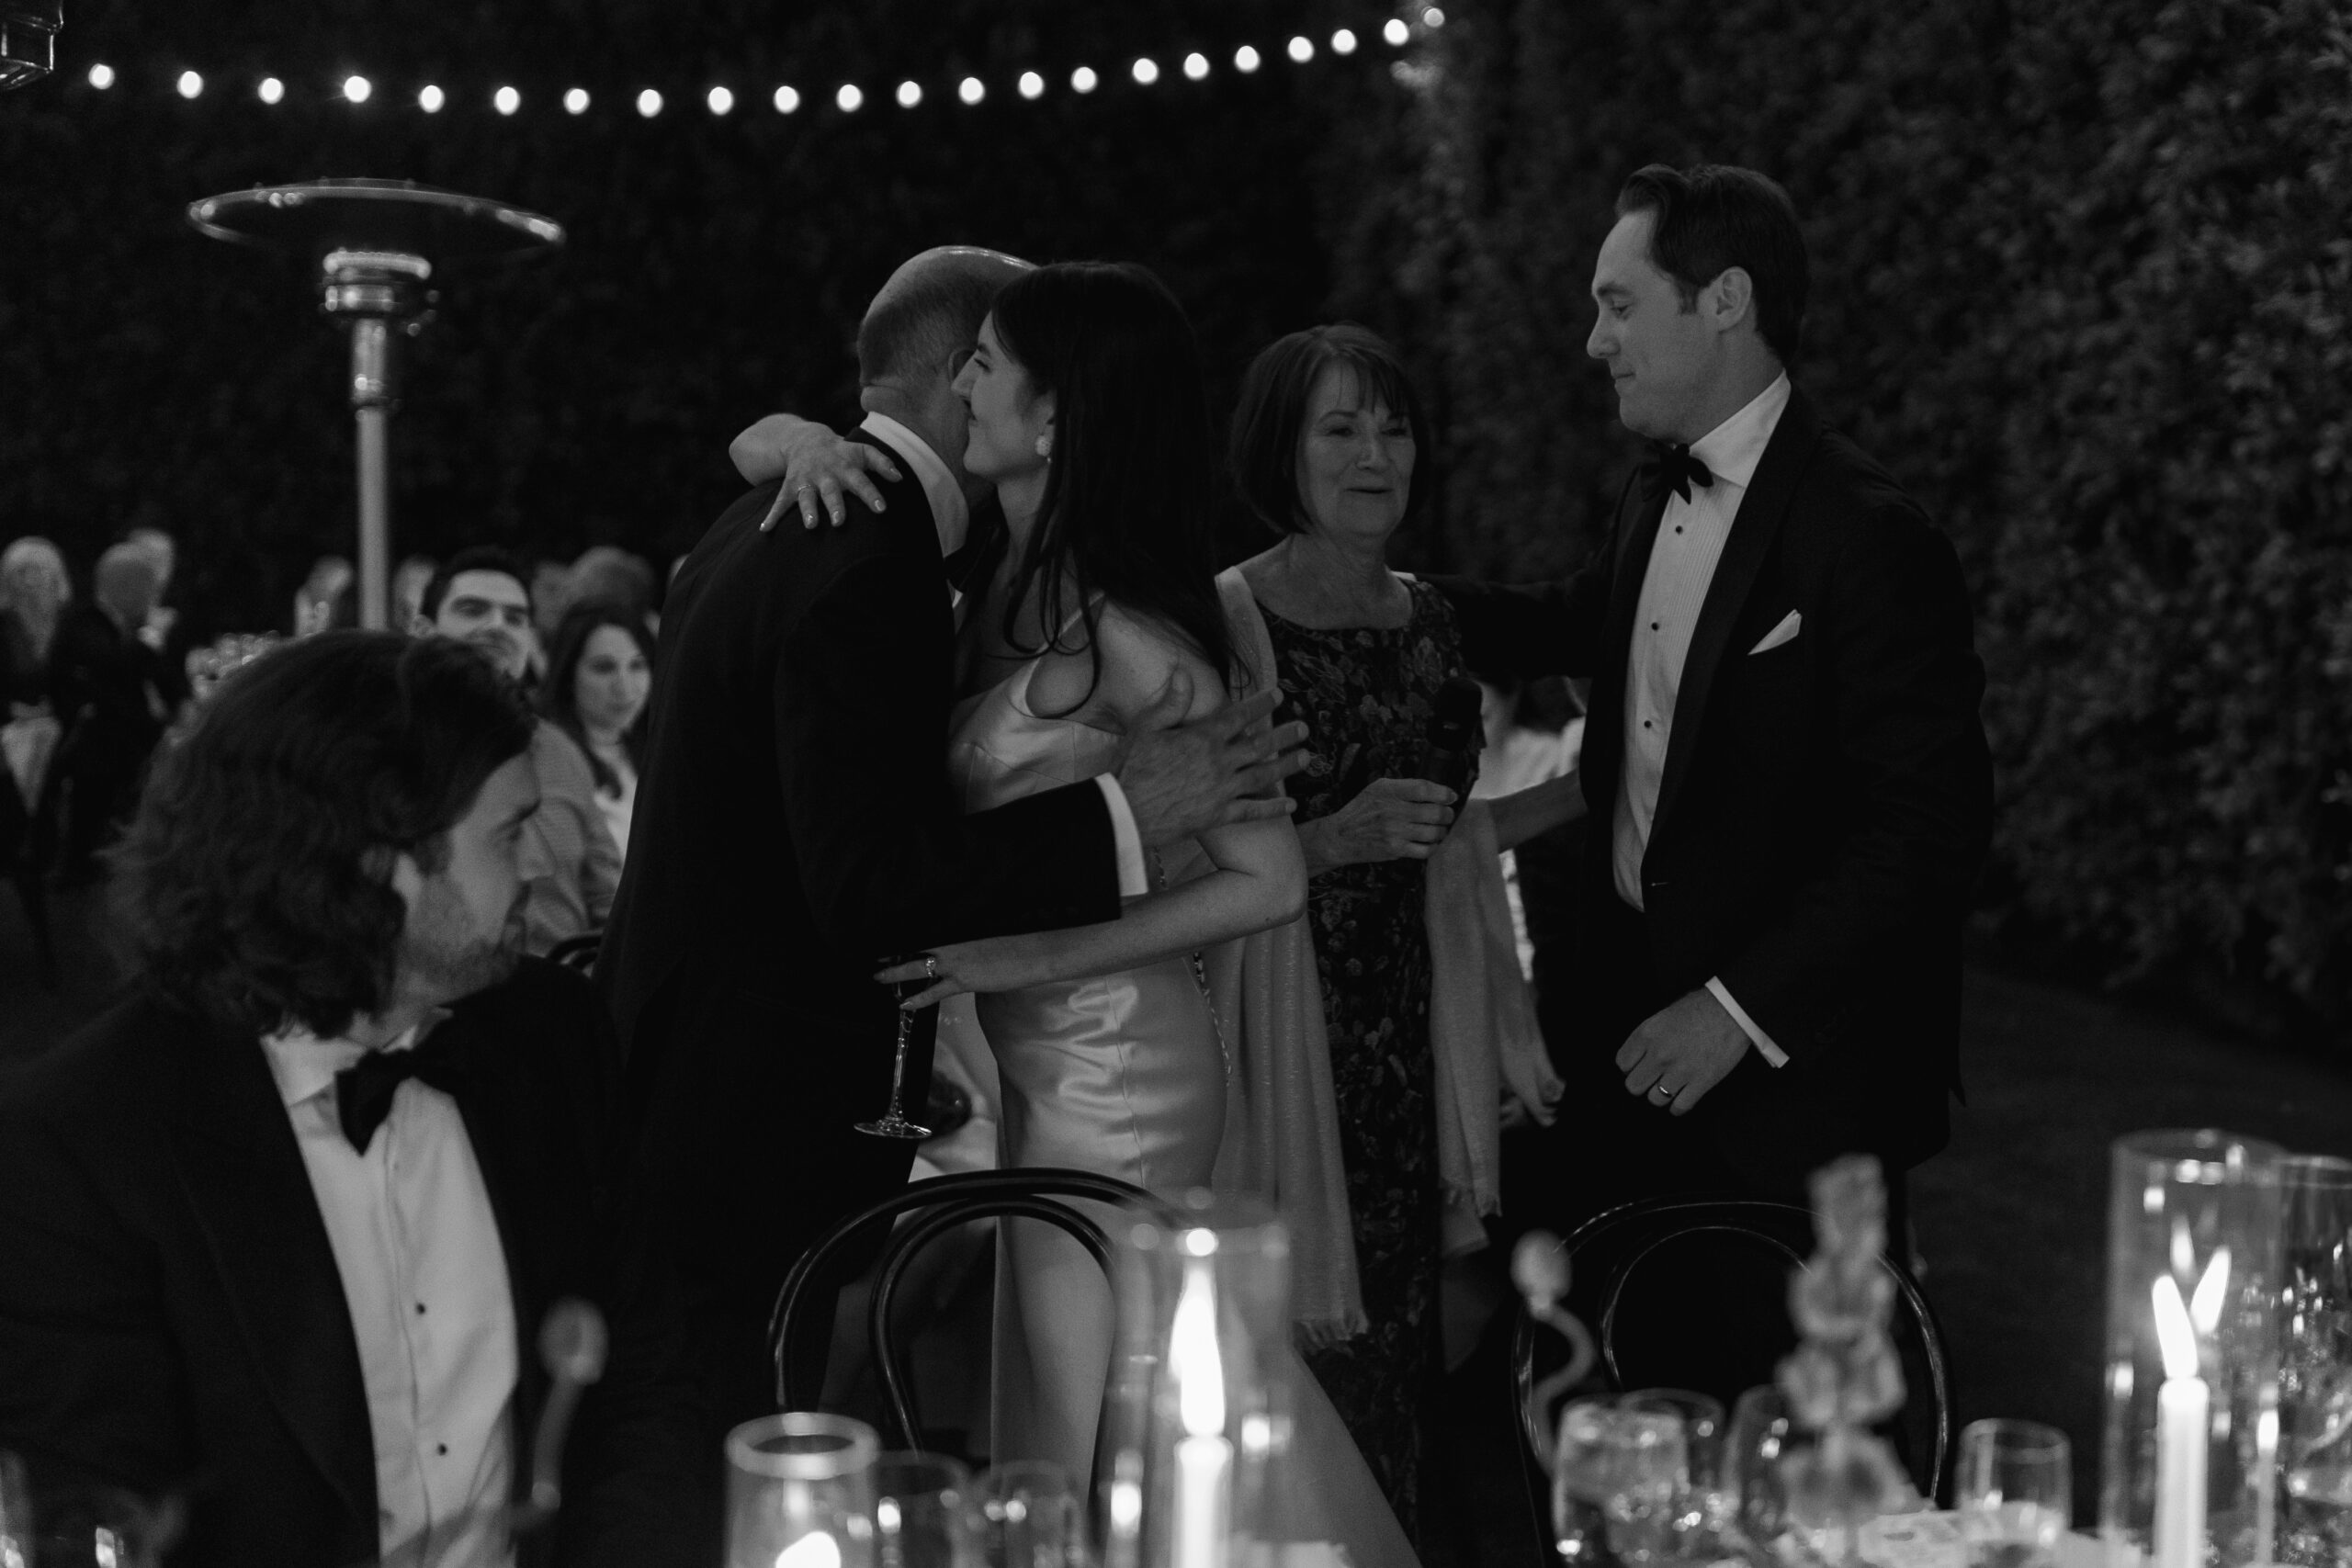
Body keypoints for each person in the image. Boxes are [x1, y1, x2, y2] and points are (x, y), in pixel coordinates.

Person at [0, 631, 706, 1568]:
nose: (535, 867)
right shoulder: (84, 1141)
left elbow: (646, 1382)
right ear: (378, 862)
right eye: (505, 834)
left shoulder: (549, 1038)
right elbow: (103, 1517)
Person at [1432, 164, 1994, 1237]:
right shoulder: (1658, 481)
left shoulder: (1870, 535)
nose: (1597, 341)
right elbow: (1574, 617)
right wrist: (1382, 599)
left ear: (1724, 301)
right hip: (1625, 1044)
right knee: (1625, 1375)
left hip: (1800, 1085)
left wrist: (1735, 1010)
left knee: (1792, 1397)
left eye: (1619, 303)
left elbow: (1927, 830)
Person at [1225, 323, 1582, 1540]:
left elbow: (1452, 830)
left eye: (1394, 425)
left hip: (1412, 1055)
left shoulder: (1432, 619)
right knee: (1284, 1377)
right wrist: (1328, 837)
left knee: (1405, 1381)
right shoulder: (1225, 623)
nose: (1377, 452)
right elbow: (1169, 856)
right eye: (1341, 426)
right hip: (1280, 1055)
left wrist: (1608, 781)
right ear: (1281, 447)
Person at [415, 547, 623, 955]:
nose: (498, 626)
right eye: (473, 609)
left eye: (515, 618)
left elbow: (609, 898)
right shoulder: (385, 745)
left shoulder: (560, 752)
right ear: (423, 630)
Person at [49, 543, 189, 878]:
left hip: (127, 737)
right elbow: (114, 676)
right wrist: (152, 636)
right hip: (95, 743)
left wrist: (182, 704)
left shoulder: (130, 627)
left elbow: (166, 677)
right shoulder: (84, 624)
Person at [541, 604, 652, 863]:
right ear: (568, 675)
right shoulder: (548, 760)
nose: (624, 686)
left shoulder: (656, 754)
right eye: (604, 668)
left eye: (637, 666)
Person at [0, 536, 71, 710]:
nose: (30, 580)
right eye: (22, 571)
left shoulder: (73, 624)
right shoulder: (4, 626)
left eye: (38, 570)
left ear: (56, 576)